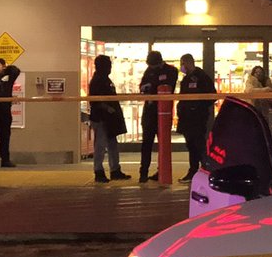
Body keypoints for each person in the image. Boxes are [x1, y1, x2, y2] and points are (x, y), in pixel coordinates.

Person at [89, 54, 131, 183]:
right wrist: (108, 108)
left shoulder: (105, 79)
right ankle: (99, 171)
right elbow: (95, 100)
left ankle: (115, 169)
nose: (110, 68)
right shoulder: (98, 80)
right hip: (101, 117)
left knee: (112, 144)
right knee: (100, 145)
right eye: (108, 65)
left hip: (109, 118)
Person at [137, 50, 176, 183]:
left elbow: (168, 86)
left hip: (163, 112)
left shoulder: (171, 70)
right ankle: (143, 172)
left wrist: (151, 85)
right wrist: (146, 87)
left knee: (163, 143)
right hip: (149, 111)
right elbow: (142, 86)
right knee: (146, 143)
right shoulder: (149, 71)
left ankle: (162, 171)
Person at [176, 53, 215, 183]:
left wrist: (198, 108)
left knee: (198, 144)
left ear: (188, 62)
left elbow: (211, 96)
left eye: (183, 63)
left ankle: (206, 169)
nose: (182, 67)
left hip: (197, 118)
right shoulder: (186, 79)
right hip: (187, 118)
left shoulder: (201, 77)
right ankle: (194, 170)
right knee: (191, 145)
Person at [0, 58, 21, 167]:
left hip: (5, 110)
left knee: (5, 136)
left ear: (3, 66)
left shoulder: (8, 78)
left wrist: (6, 69)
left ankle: (5, 159)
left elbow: (16, 70)